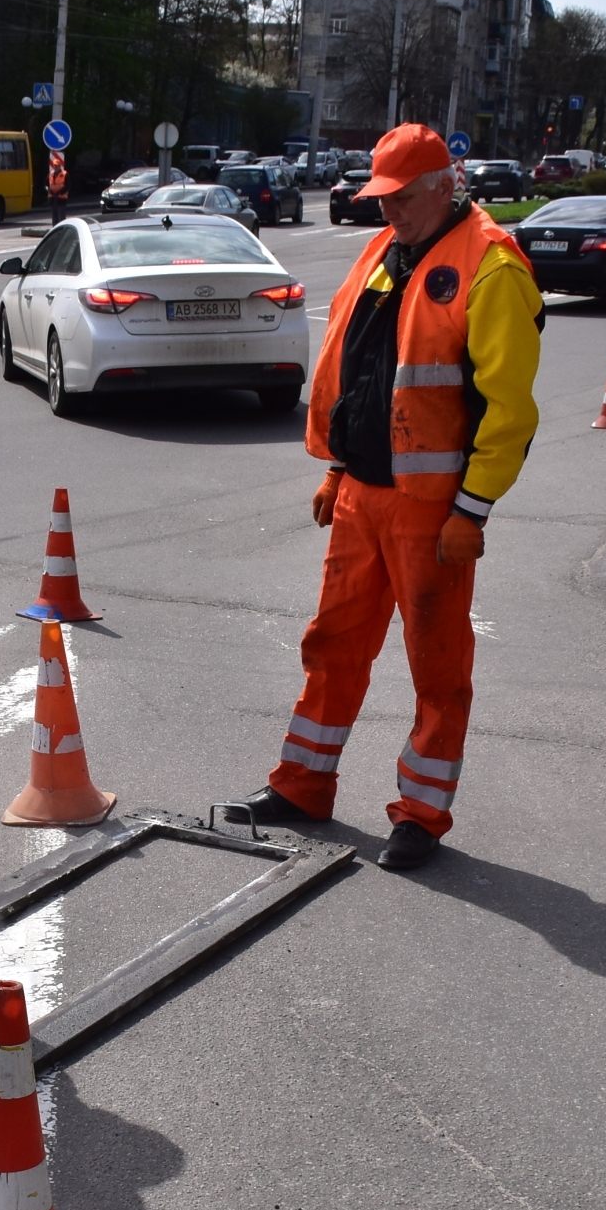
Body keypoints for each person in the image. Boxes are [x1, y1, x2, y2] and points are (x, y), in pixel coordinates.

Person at [231, 122, 542, 873]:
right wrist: (338, 469)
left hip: (432, 512)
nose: (389, 211)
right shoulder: (384, 253)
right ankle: (303, 784)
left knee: (436, 663)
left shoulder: (491, 265)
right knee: (331, 644)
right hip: (362, 496)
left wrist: (473, 508)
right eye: (382, 198)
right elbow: (361, 373)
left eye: (402, 197)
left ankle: (421, 815)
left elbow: (510, 410)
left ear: (446, 186)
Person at [47, 149, 70, 225]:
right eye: (54, 165)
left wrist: (59, 193)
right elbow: (46, 185)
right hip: (53, 199)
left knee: (61, 219)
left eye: (57, 165)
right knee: (54, 218)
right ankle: (55, 232)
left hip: (61, 199)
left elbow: (67, 186)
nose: (55, 167)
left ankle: (62, 233)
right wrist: (50, 191)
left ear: (60, 166)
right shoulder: (50, 174)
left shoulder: (65, 174)